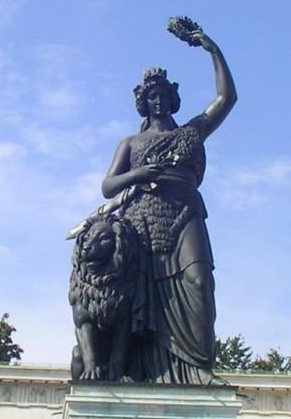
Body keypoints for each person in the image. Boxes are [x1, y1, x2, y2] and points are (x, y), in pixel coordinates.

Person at [96, 24, 236, 384]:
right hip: (142, 219)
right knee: (147, 300)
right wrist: (139, 175)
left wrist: (211, 47)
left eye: (163, 95)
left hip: (185, 210)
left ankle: (198, 369)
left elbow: (226, 99)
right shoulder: (130, 142)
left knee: (199, 281)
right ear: (144, 101)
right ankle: (152, 372)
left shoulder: (191, 132)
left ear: (172, 99)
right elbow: (108, 186)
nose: (158, 100)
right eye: (151, 95)